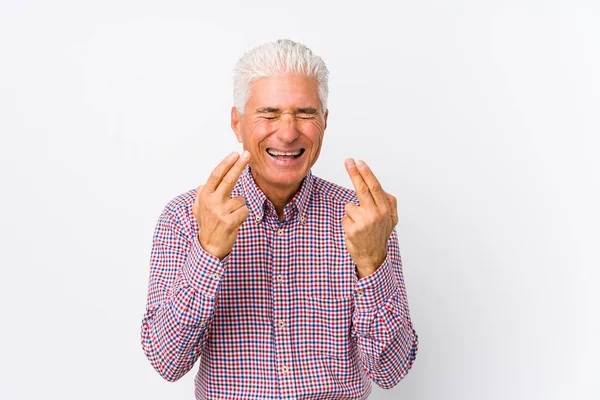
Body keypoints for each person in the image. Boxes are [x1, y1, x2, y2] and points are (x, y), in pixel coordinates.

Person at [140, 39, 418, 399]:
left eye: (305, 113)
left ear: (325, 122)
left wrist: (370, 262)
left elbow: (391, 371)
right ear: (237, 123)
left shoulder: (366, 220)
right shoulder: (184, 217)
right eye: (269, 114)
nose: (288, 133)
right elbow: (166, 362)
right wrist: (208, 252)